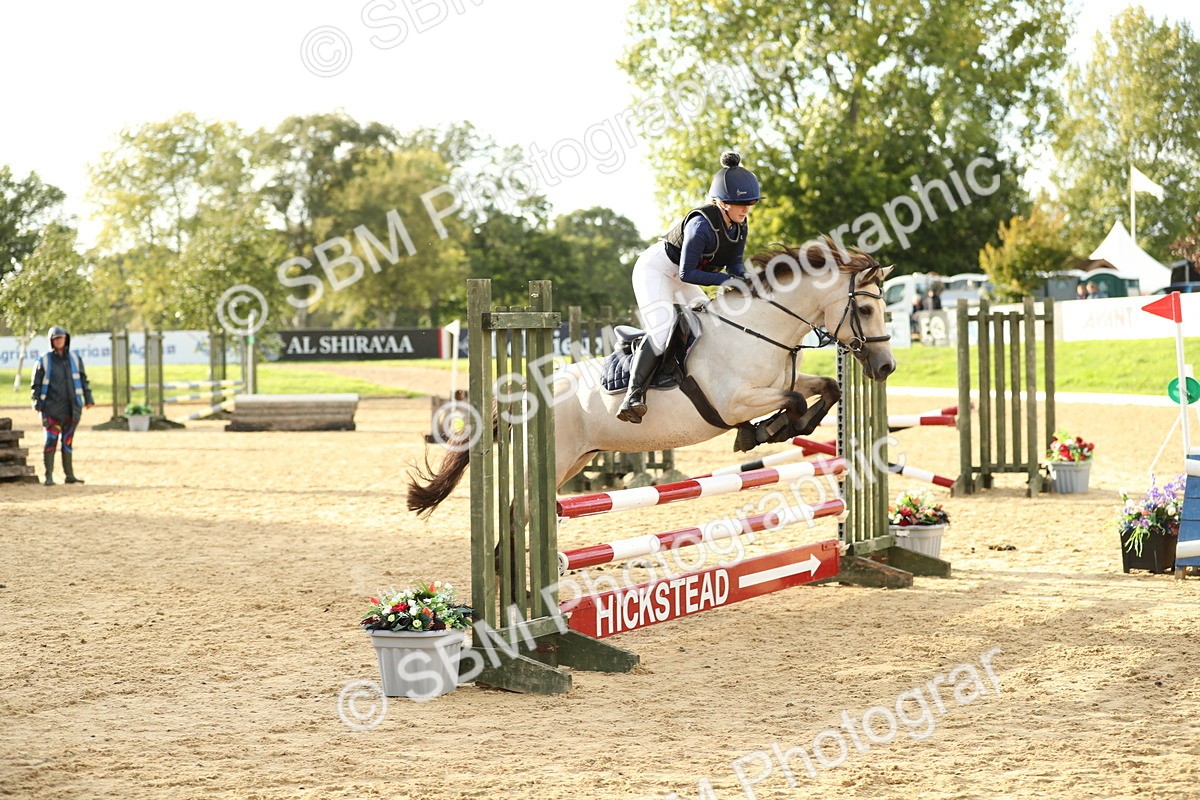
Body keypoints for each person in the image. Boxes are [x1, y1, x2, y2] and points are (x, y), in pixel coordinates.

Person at [617, 151, 761, 423]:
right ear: (721, 203)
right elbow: (688, 272)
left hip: (683, 277)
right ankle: (632, 397)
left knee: (710, 321)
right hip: (657, 270)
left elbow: (734, 266)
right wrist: (728, 281)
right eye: (740, 204)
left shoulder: (740, 226)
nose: (746, 209)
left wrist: (749, 283)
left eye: (750, 203)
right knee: (661, 330)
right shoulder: (701, 225)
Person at [30, 325, 94, 485]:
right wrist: (37, 402)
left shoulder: (75, 358)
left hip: (72, 408)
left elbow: (83, 379)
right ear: (51, 341)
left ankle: (69, 475)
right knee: (50, 441)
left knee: (68, 441)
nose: (59, 341)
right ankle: (49, 476)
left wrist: (88, 398)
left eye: (61, 338)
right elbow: (36, 384)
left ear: (66, 339)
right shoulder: (44, 360)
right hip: (51, 409)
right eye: (56, 338)